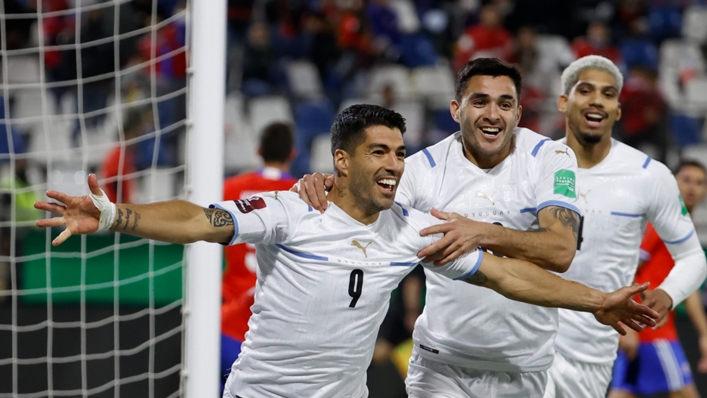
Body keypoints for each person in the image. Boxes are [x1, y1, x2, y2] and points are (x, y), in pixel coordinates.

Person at [34, 104, 657, 398]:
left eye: (399, 152)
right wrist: (119, 215)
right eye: (378, 153)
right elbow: (201, 219)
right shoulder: (292, 209)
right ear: (341, 160)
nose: (395, 165)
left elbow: (506, 277)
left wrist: (598, 300)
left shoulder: (413, 228)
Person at [297, 58, 585, 397]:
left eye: (504, 104)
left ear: (518, 114)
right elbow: (359, 212)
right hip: (441, 367)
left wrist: (481, 232)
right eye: (479, 101)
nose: (493, 114)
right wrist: (323, 184)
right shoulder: (422, 169)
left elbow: (561, 250)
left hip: (525, 368)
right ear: (455, 109)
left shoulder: (551, 157)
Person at [542, 55, 707, 398]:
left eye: (608, 94)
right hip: (526, 343)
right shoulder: (532, 164)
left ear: (617, 109)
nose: (596, 100)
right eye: (585, 90)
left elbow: (692, 256)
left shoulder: (649, 174)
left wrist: (668, 293)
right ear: (563, 101)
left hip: (593, 353)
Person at [609, 159, 707, 398]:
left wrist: (704, 333)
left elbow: (687, 288)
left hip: (650, 329)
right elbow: (626, 268)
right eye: (685, 180)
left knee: (622, 393)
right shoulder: (662, 222)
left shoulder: (684, 226)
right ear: (671, 183)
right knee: (686, 393)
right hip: (652, 332)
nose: (692, 187)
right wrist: (624, 325)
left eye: (700, 182)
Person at [220, 122, 297, 388]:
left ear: (258, 151)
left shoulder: (230, 189)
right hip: (276, 331)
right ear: (293, 154)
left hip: (228, 324)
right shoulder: (302, 195)